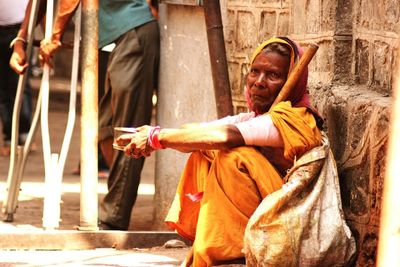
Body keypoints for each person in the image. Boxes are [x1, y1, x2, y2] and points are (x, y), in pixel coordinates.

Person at [116, 37, 324, 266]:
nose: (259, 82)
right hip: (263, 219)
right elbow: (197, 132)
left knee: (232, 157)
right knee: (203, 148)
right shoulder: (252, 119)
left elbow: (226, 137)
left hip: (288, 223)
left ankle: (231, 254)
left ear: (291, 83)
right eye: (255, 72)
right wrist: (156, 136)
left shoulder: (295, 120)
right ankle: (217, 244)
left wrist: (157, 138)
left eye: (273, 75)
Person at [39, 0, 160, 230]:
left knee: (128, 130)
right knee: (105, 127)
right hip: (115, 39)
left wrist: (55, 36)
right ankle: (117, 198)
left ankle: (114, 216)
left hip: (133, 31)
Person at [0, 0, 41, 156]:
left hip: (19, 30)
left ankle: (24, 135)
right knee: (3, 89)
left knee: (20, 84)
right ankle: (9, 138)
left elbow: (39, 5)